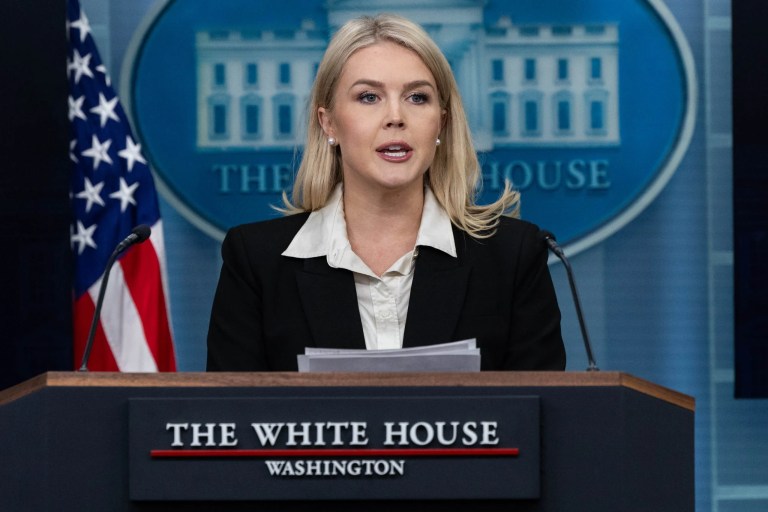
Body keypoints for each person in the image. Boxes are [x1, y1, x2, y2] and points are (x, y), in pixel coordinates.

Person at [206, 14, 566, 371]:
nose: (396, 116)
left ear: (441, 123)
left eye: (417, 97)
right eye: (369, 97)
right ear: (328, 123)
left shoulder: (512, 256)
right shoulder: (256, 262)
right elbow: (230, 408)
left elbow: (543, 406)